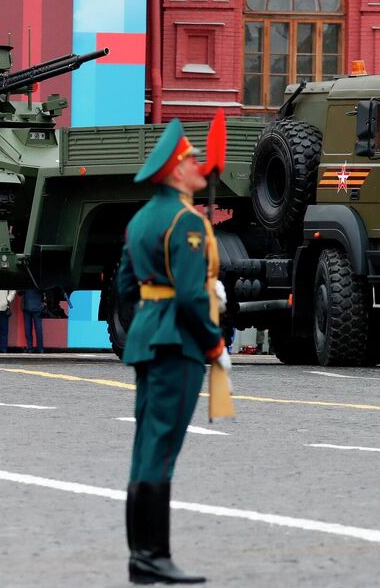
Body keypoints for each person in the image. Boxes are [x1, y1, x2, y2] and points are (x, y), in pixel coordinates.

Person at [116, 118, 230, 585]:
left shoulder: (141, 219)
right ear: (175, 171)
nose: (198, 165)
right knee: (162, 449)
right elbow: (187, 296)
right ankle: (152, 555)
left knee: (147, 445)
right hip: (177, 341)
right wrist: (214, 341)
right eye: (189, 159)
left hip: (148, 335)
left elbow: (126, 285)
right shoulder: (186, 221)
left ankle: (142, 555)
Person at [21, 288, 45, 353]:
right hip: (37, 306)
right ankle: (40, 349)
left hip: (26, 307)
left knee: (28, 329)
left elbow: (20, 293)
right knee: (38, 329)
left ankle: (30, 348)